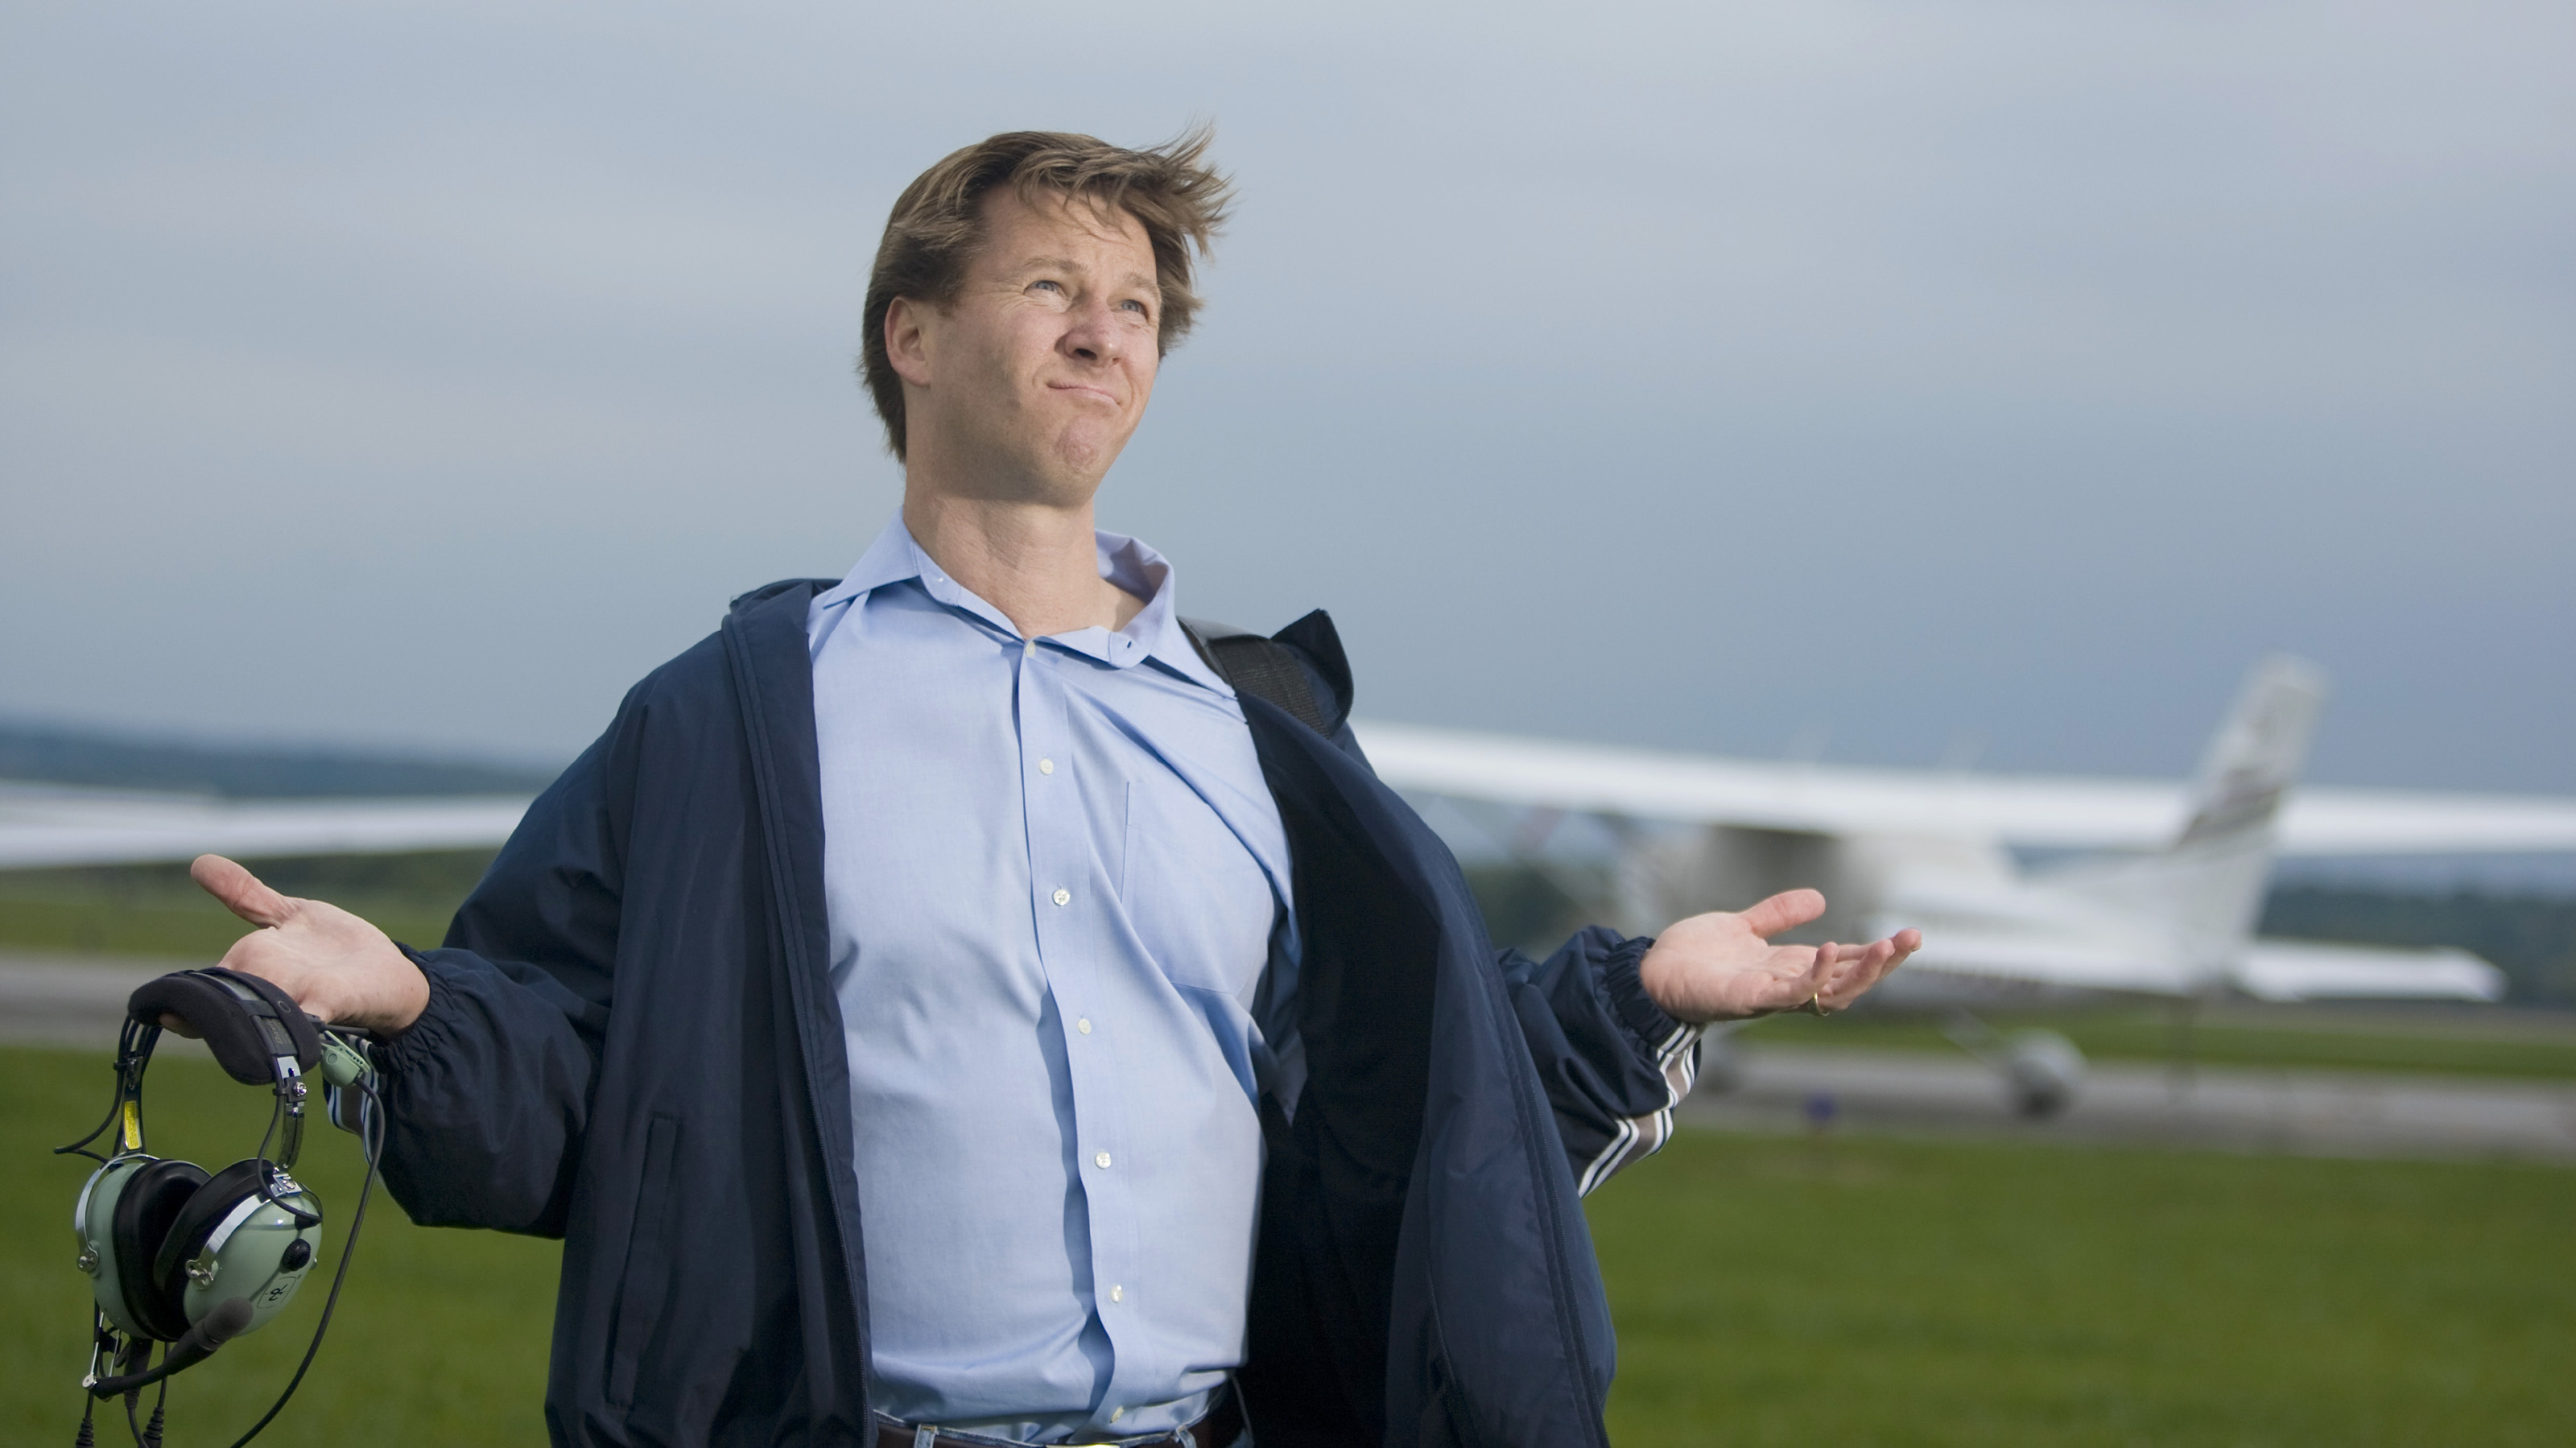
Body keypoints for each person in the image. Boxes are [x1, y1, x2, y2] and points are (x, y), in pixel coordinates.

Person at [182, 130, 1919, 1448]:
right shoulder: (728, 723)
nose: (1105, 336)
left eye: (1139, 309)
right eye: (1053, 292)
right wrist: (405, 999)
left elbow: (1394, 1124)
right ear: (912, 336)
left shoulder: (1274, 738)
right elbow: (582, 1097)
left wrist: (1630, 997)